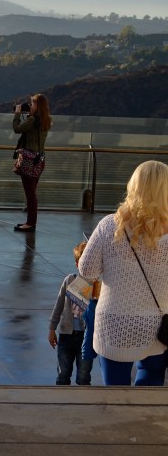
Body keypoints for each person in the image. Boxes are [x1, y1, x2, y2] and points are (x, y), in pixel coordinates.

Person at [78, 160, 168, 386]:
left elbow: (87, 270)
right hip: (158, 326)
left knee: (115, 391)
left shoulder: (109, 225)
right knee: (151, 378)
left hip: (114, 323)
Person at [48, 241, 94, 386]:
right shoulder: (70, 280)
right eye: (83, 262)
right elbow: (58, 306)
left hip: (86, 338)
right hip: (66, 335)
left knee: (84, 376)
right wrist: (51, 329)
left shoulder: (97, 285)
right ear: (76, 264)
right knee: (63, 374)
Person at [12, 93, 52, 232]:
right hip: (40, 160)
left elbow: (17, 129)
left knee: (30, 194)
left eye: (32, 103)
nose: (30, 106)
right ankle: (31, 221)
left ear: (37, 105)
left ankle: (30, 223)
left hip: (29, 160)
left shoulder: (33, 120)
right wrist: (30, 114)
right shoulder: (46, 120)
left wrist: (17, 113)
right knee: (32, 192)